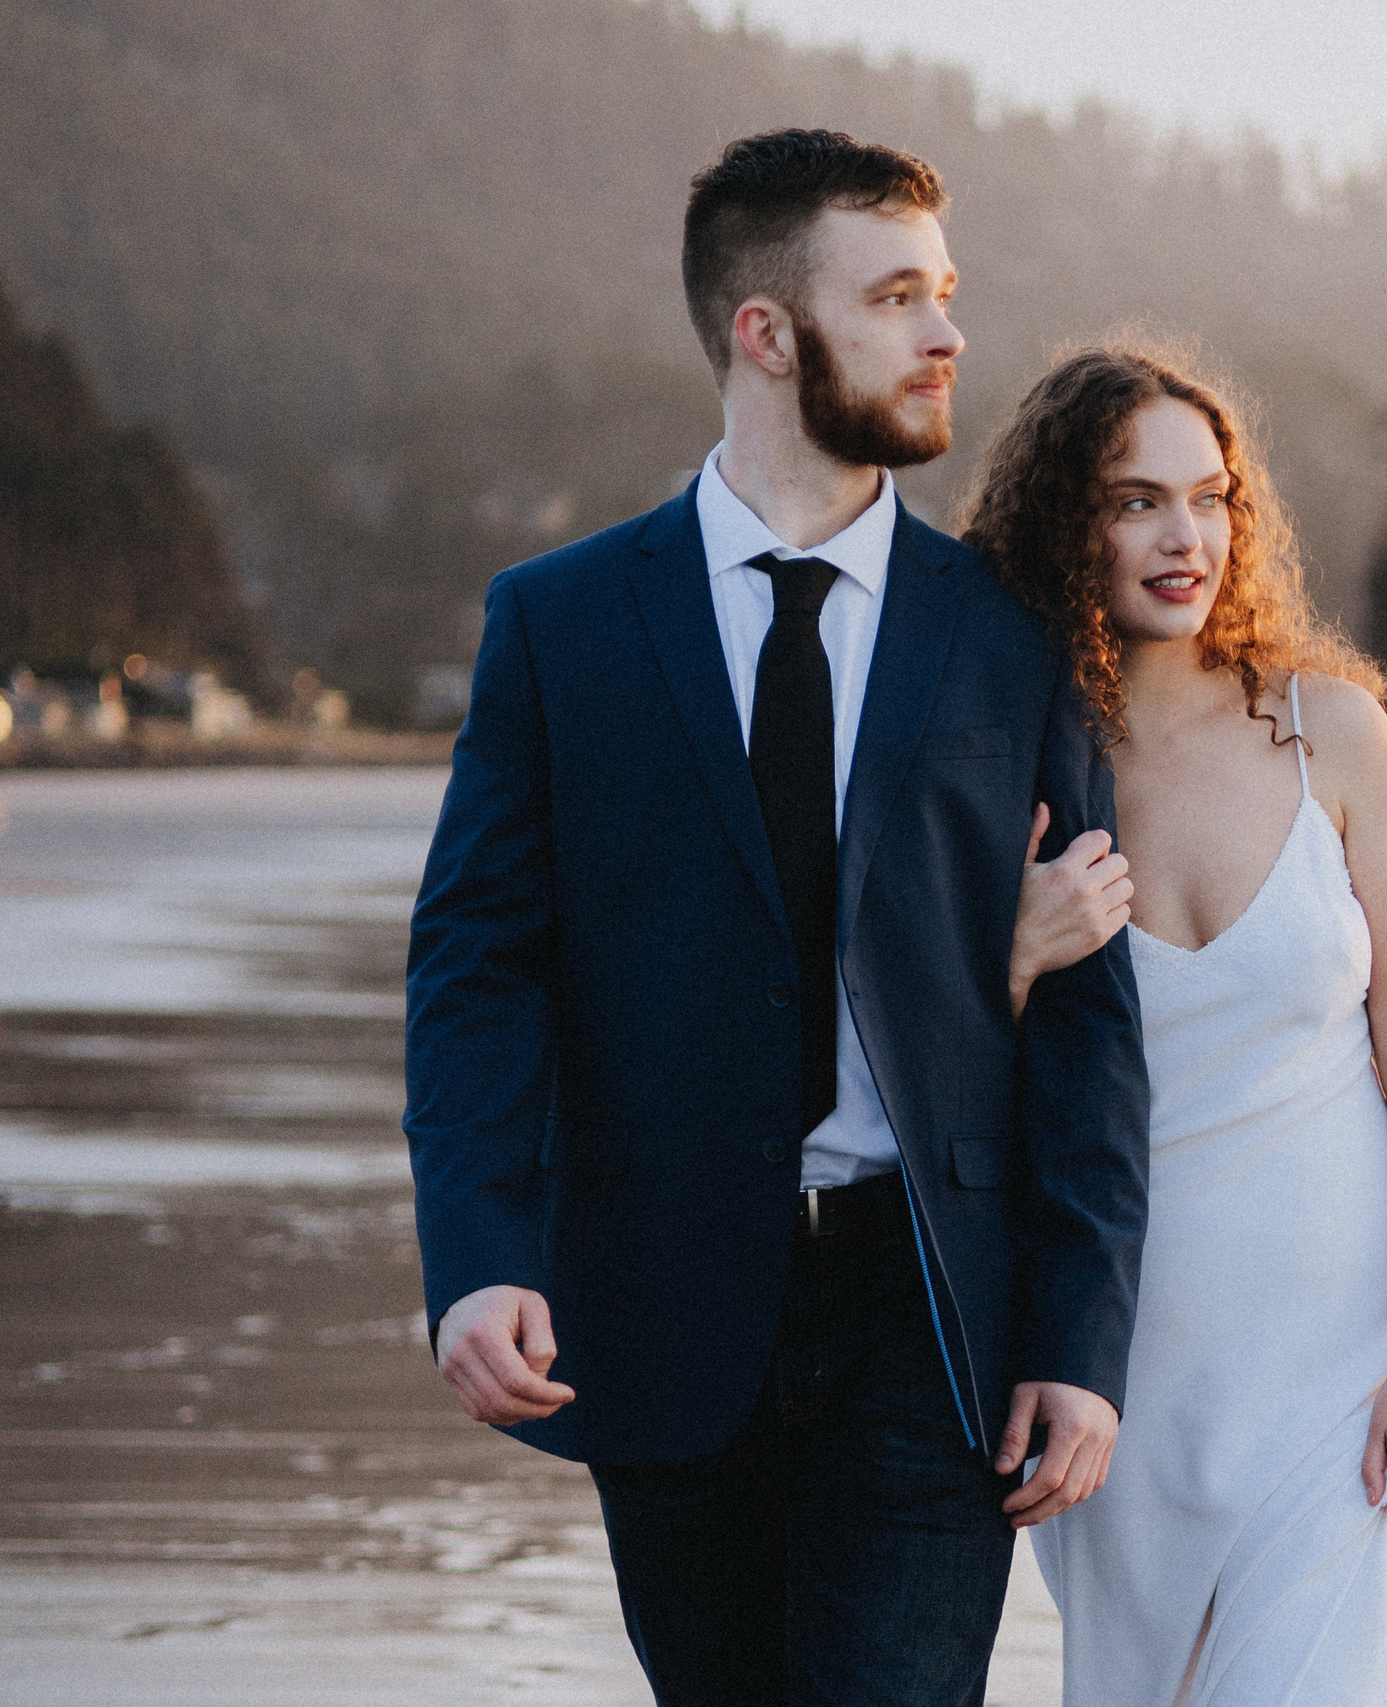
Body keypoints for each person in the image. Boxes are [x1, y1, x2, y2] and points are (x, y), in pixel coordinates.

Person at [403, 131, 1149, 1707]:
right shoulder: (560, 623)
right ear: (766, 332)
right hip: (661, 1296)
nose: (948, 335)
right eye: (895, 298)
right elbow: (478, 970)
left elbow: (1090, 1018)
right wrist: (477, 1255)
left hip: (931, 1307)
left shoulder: (1011, 638)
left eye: (945, 294)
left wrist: (1080, 1340)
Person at [979, 346, 1387, 1706]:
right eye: (1138, 501)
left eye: (1211, 498)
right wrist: (1010, 958)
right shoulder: (1006, 765)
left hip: (1345, 1382)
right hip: (1123, 1389)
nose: (1184, 535)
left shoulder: (1334, 735)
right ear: (1064, 523)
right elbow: (927, 1082)